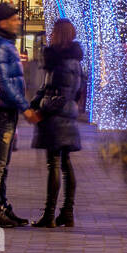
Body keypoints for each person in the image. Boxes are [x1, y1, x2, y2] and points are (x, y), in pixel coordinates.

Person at [0, 2, 39, 228]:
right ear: (3, 21)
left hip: (1, 110)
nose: (18, 22)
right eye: (14, 19)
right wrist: (26, 107)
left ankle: (1, 206)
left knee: (1, 163)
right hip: (0, 111)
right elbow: (3, 83)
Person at [30, 18, 84, 228]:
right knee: (64, 164)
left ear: (60, 35)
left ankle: (51, 214)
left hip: (57, 119)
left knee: (55, 163)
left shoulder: (65, 63)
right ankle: (66, 213)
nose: (50, 35)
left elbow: (62, 95)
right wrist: (34, 103)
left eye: (53, 32)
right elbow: (48, 88)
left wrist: (41, 113)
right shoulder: (62, 61)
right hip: (64, 117)